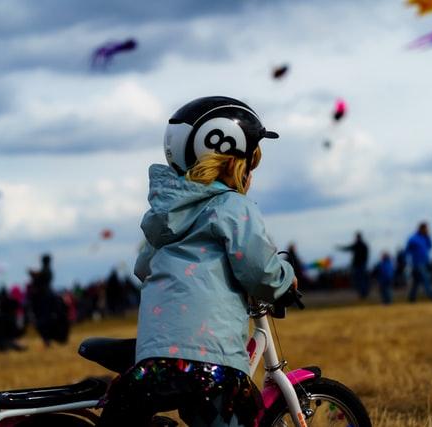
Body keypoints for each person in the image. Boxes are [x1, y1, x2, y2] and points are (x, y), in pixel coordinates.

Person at [98, 96, 297, 427]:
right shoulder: (233, 206)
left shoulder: (165, 217)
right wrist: (285, 280)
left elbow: (142, 268)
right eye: (251, 164)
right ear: (237, 163)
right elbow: (259, 269)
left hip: (155, 362)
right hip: (212, 362)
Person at [27, 254, 69, 346]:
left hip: (44, 299)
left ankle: (48, 339)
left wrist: (34, 274)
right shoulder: (47, 271)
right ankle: (49, 339)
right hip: (45, 298)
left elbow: (39, 279)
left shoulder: (46, 271)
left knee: (44, 320)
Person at [405, 222, 432, 302]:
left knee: (416, 282)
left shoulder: (425, 238)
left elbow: (430, 246)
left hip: (425, 262)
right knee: (426, 279)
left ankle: (411, 297)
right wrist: (407, 262)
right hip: (417, 263)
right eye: (425, 228)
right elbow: (407, 250)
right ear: (421, 228)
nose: (427, 230)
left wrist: (428, 236)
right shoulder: (413, 238)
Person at [337, 232, 370, 298]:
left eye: (356, 237)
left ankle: (363, 294)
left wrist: (340, 248)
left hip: (359, 266)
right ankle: (363, 294)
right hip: (360, 265)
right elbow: (349, 248)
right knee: (360, 280)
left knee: (359, 280)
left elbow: (348, 248)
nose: (355, 238)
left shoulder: (359, 245)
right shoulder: (363, 245)